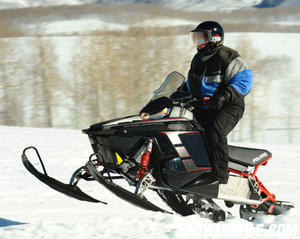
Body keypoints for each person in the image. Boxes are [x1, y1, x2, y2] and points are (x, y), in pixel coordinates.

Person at [173, 21, 253, 184]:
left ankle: (220, 175)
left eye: (201, 38)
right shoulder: (198, 60)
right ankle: (191, 169)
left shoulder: (227, 56)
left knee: (214, 128)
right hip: (206, 106)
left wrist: (224, 96)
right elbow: (191, 82)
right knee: (185, 127)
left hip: (229, 105)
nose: (197, 42)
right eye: (195, 38)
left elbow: (245, 80)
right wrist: (179, 94)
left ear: (213, 38)